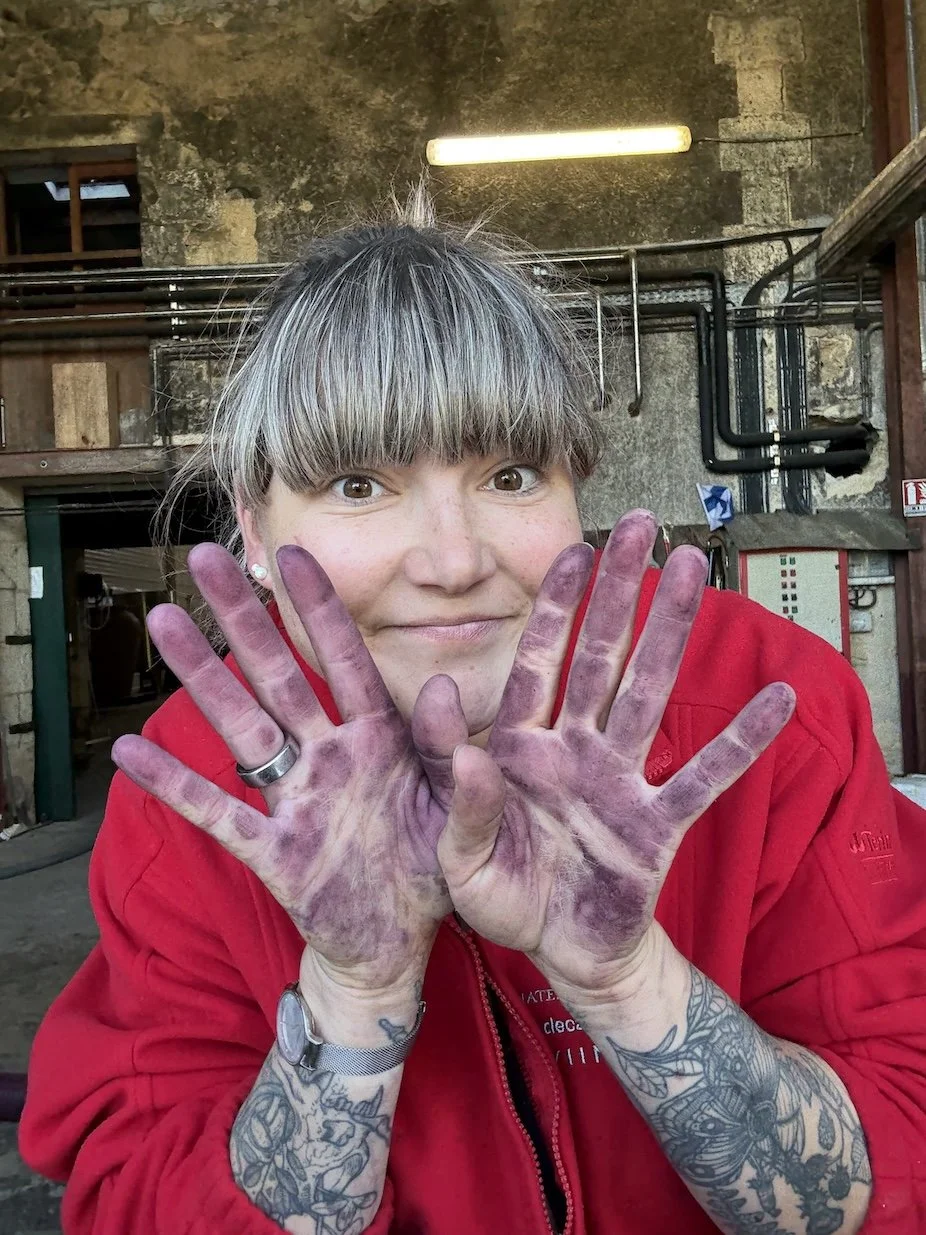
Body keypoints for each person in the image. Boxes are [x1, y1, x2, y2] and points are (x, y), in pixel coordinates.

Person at [19, 191, 926, 1235]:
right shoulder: (200, 790)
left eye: (507, 472)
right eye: (358, 483)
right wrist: (352, 993)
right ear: (253, 521)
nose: (453, 563)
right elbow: (141, 1197)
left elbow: (897, 1142)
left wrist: (631, 981)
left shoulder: (754, 710)